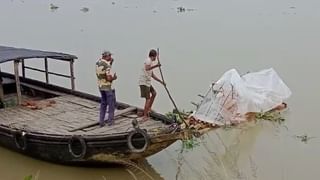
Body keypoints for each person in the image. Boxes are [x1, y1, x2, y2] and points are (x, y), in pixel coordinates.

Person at [139, 49, 165, 121]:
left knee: (154, 93)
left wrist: (160, 81)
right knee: (148, 99)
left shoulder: (150, 62)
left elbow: (152, 75)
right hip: (144, 82)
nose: (156, 58)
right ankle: (145, 115)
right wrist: (157, 65)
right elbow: (147, 68)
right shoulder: (148, 61)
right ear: (153, 56)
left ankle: (149, 108)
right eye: (155, 57)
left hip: (148, 82)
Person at [96, 50, 117, 127]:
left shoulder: (98, 63)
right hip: (108, 87)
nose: (111, 57)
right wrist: (114, 78)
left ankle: (101, 121)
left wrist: (111, 63)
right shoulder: (107, 65)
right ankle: (110, 121)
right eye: (110, 56)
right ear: (106, 56)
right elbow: (108, 77)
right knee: (111, 104)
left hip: (101, 86)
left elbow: (103, 71)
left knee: (103, 103)